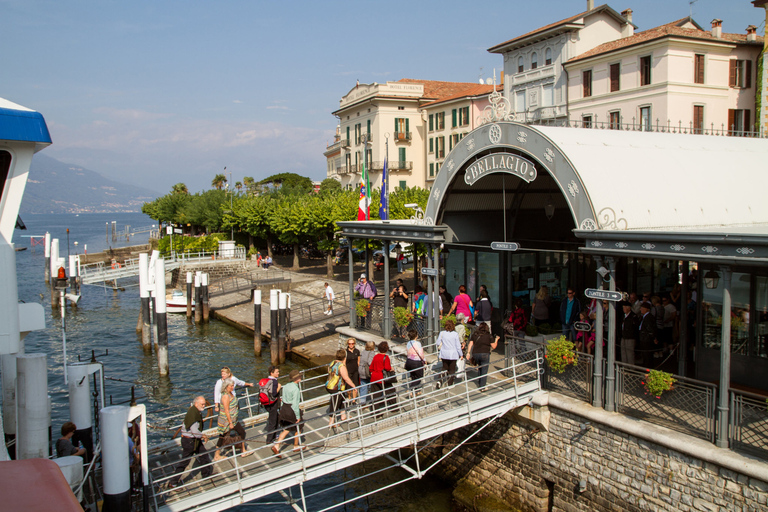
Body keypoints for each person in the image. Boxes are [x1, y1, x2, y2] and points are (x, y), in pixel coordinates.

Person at [169, 396, 212, 488]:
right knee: (185, 462)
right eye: (202, 404)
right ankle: (173, 482)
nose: (204, 406)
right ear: (196, 404)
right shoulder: (194, 415)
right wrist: (203, 435)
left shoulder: (194, 410)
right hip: (190, 441)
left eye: (204, 404)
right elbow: (195, 432)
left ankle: (206, 474)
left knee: (204, 455)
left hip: (193, 440)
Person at [272, 370, 304, 457]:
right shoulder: (296, 389)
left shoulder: (285, 386)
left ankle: (277, 445)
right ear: (296, 378)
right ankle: (296, 446)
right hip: (291, 410)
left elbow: (283, 399)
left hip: (285, 408)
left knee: (287, 428)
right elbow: (295, 405)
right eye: (299, 376)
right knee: (299, 426)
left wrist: (282, 409)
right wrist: (298, 416)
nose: (301, 377)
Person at [213, 379, 248, 460]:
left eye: (233, 386)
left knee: (242, 432)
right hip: (227, 421)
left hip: (234, 419)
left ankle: (243, 450)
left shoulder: (231, 393)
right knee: (222, 436)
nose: (233, 387)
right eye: (231, 386)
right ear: (226, 386)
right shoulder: (225, 396)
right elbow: (226, 410)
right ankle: (217, 455)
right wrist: (230, 422)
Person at [326, 350, 356, 429]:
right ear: (344, 357)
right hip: (336, 388)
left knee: (342, 398)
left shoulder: (332, 363)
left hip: (329, 385)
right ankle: (331, 422)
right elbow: (346, 378)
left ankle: (343, 415)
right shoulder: (341, 366)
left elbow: (329, 371)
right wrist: (354, 386)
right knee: (334, 404)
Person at [467, 323, 499, 391]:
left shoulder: (475, 334)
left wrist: (468, 353)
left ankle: (480, 382)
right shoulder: (489, 336)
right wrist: (496, 340)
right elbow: (494, 346)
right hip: (485, 354)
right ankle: (482, 386)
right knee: (484, 370)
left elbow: (470, 344)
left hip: (475, 354)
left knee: (480, 367)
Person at [369, 342, 395, 417]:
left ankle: (375, 412)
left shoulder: (376, 356)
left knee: (375, 395)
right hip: (382, 378)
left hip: (374, 377)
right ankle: (394, 407)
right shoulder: (385, 357)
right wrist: (391, 368)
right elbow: (387, 367)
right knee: (391, 391)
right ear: (386, 349)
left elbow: (371, 368)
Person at [437, 319, 464, 388]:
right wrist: (461, 354)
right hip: (453, 354)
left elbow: (437, 343)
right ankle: (450, 383)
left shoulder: (442, 333)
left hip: (444, 353)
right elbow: (458, 346)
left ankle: (439, 381)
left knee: (444, 367)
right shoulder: (455, 334)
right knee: (452, 369)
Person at [263, 366, 282, 445]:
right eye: (277, 372)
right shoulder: (274, 382)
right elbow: (274, 394)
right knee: (272, 422)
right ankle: (269, 440)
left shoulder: (267, 380)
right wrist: (279, 387)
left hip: (267, 403)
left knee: (276, 418)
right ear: (272, 373)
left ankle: (275, 435)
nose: (278, 373)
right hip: (272, 404)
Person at [638, 301, 658, 368]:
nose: (641, 309)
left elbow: (650, 329)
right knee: (645, 355)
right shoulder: (644, 317)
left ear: (647, 309)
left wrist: (653, 337)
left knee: (647, 356)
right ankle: (646, 367)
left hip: (647, 339)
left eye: (642, 308)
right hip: (644, 338)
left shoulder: (649, 317)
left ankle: (648, 368)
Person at [404, 329, 425, 394]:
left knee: (413, 376)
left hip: (409, 361)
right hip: (416, 362)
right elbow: (421, 353)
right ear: (416, 336)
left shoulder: (408, 343)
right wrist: (424, 360)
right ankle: (411, 388)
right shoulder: (417, 343)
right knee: (419, 376)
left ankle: (415, 391)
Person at [358, 341, 376, 406]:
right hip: (367, 372)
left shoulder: (363, 351)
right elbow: (370, 362)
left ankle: (362, 402)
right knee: (372, 386)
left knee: (363, 386)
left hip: (361, 370)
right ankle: (374, 401)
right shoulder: (372, 353)